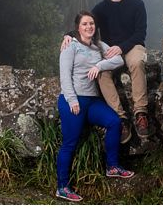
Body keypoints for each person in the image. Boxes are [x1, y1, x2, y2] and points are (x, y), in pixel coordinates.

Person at [62, 0, 151, 145]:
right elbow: (86, 25)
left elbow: (140, 33)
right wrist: (69, 35)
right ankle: (121, 118)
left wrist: (121, 47)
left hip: (132, 46)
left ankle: (141, 113)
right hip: (109, 50)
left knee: (137, 62)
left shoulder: (137, 4)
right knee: (101, 72)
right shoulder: (100, 9)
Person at [56, 11, 132, 201]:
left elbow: (119, 59)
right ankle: (62, 187)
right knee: (69, 143)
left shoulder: (99, 46)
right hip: (73, 101)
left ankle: (112, 166)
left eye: (91, 24)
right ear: (78, 28)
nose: (89, 27)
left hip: (92, 100)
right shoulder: (70, 46)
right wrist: (72, 101)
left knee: (114, 122)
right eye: (84, 24)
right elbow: (64, 76)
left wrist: (99, 66)